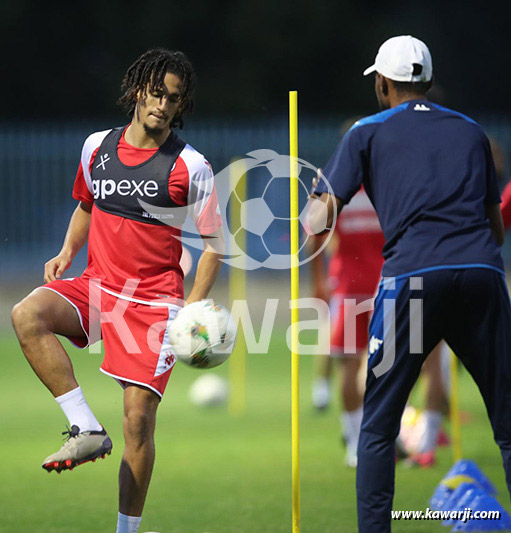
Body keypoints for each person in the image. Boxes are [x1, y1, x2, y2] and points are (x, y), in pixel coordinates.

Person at [11, 49, 224, 533]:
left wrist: (193, 309)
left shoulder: (191, 166)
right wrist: (68, 250)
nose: (163, 105)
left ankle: (125, 530)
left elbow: (214, 247)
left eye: (173, 99)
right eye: (156, 93)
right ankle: (84, 426)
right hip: (98, 286)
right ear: (136, 91)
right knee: (27, 315)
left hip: (155, 305)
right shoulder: (95, 147)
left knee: (137, 424)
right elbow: (87, 204)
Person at [308, 35, 509, 532]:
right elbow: (495, 227)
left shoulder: (365, 131)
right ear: (426, 79)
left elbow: (317, 218)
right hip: (483, 275)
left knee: (377, 429)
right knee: (507, 425)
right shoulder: (471, 132)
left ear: (382, 83)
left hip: (413, 282)